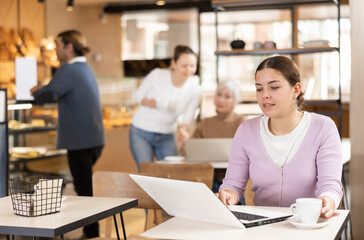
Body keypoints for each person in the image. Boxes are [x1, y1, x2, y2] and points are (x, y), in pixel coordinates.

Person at [217, 56, 342, 219]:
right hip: (262, 226)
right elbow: (232, 185)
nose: (265, 95)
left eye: (274, 87)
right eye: (259, 89)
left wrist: (328, 200)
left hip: (308, 223)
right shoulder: (246, 131)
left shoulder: (323, 127)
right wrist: (228, 195)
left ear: (296, 90)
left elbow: (330, 186)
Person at [30, 30, 104, 238]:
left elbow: (45, 95)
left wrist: (36, 89)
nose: (56, 50)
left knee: (84, 191)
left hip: (80, 140)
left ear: (69, 46)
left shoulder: (68, 70)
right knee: (85, 188)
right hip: (93, 138)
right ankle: (92, 232)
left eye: (58, 45)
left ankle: (92, 234)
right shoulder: (85, 68)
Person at [130, 45, 201, 171]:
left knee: (171, 172)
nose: (188, 70)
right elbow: (137, 95)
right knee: (146, 172)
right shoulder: (157, 75)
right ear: (174, 63)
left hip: (167, 134)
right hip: (141, 131)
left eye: (192, 66)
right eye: (184, 66)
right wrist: (147, 102)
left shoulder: (195, 89)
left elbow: (188, 117)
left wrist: (183, 130)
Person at [191, 80, 246, 193]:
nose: (221, 100)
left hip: (235, 182)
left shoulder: (241, 122)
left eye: (227, 97)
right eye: (219, 94)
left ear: (235, 102)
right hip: (207, 180)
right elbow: (188, 150)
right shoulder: (205, 123)